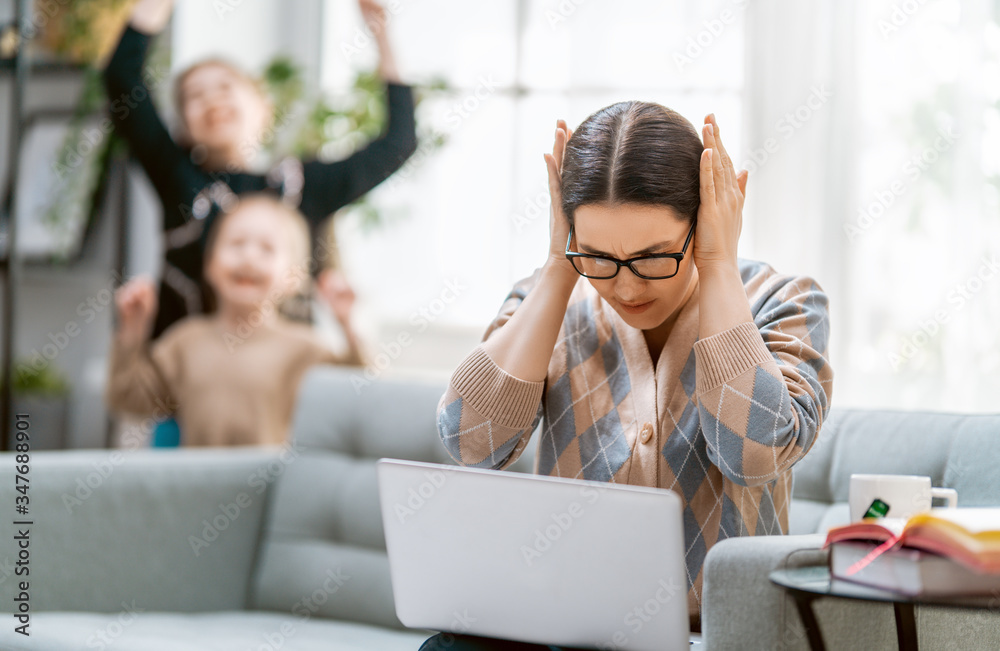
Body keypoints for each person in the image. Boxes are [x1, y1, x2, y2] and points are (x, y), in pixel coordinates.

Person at [425, 107, 833, 648]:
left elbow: (751, 453)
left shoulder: (785, 302)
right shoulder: (549, 302)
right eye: (598, 256)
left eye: (654, 256)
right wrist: (557, 266)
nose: (625, 287)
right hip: (568, 626)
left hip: (713, 637)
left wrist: (716, 264)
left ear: (708, 216)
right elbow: (470, 442)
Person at [103, 0, 417, 339]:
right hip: (184, 381)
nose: (212, 100)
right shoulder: (177, 177)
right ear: (184, 130)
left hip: (280, 381)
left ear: (263, 108)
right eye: (194, 96)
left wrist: (382, 36)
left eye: (225, 87)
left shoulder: (301, 188)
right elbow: (121, 76)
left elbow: (396, 145)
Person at [105, 194, 365, 446]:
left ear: (293, 278)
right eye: (237, 243)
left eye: (267, 249)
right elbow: (128, 398)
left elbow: (359, 396)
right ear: (209, 265)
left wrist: (347, 324)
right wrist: (132, 331)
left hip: (272, 488)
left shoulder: (305, 348)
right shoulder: (185, 341)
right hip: (198, 487)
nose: (249, 256)